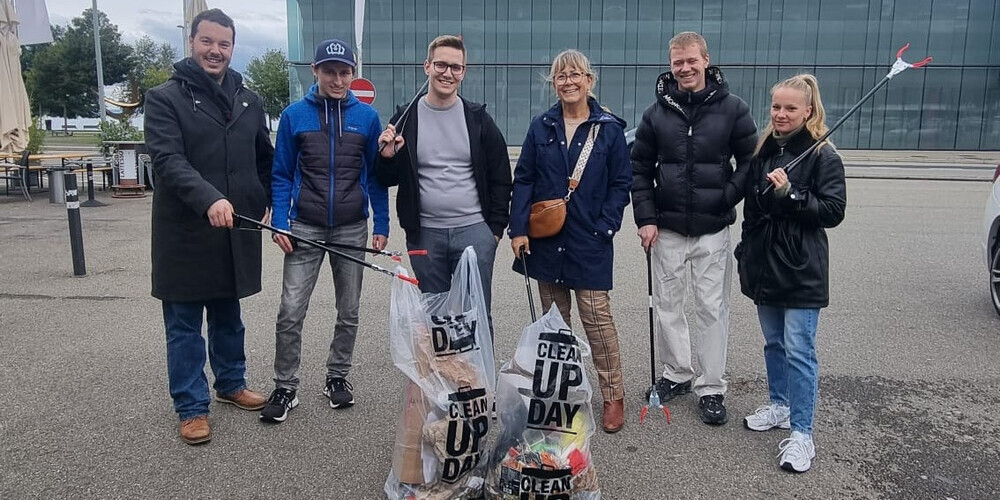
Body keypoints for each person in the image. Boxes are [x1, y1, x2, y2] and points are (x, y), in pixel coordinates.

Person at [144, 8, 273, 445]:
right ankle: (191, 407)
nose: (215, 50)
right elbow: (167, 161)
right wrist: (209, 198)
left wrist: (267, 201)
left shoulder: (249, 100)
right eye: (207, 42)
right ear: (192, 42)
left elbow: (264, 158)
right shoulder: (164, 98)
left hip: (234, 228)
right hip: (184, 231)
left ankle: (231, 383)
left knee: (228, 313)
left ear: (233, 47)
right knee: (183, 324)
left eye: (224, 43)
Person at [630, 31, 757, 425]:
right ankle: (677, 373)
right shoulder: (655, 114)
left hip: (712, 229)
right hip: (666, 229)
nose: (684, 68)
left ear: (706, 60)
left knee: (712, 310)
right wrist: (646, 218)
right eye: (677, 63)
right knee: (668, 306)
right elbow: (639, 169)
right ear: (671, 65)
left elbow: (750, 161)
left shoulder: (733, 109)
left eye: (691, 61)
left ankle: (712, 386)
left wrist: (726, 197)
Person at [259, 39, 389, 423]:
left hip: (352, 226)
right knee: (290, 310)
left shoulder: (367, 118)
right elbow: (280, 174)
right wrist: (279, 222)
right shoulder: (294, 115)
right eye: (329, 70)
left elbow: (376, 177)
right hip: (304, 226)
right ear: (315, 71)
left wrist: (381, 223)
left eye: (344, 71)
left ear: (353, 74)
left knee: (348, 309)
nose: (337, 78)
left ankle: (337, 377)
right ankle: (285, 385)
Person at [509, 49, 632, 433]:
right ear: (554, 82)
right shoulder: (541, 126)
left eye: (575, 74)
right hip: (546, 240)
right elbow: (524, 178)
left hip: (590, 239)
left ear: (589, 80)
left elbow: (621, 183)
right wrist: (518, 229)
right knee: (554, 325)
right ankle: (559, 394)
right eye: (561, 76)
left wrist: (606, 227)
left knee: (597, 321)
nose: (568, 82)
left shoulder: (608, 129)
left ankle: (613, 396)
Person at [736, 74, 846, 473]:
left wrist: (792, 195)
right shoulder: (764, 150)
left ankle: (802, 434)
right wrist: (745, 250)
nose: (781, 115)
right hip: (765, 264)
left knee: (800, 351)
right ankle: (780, 405)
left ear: (808, 111)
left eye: (790, 108)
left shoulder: (822, 155)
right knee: (774, 344)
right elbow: (751, 209)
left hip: (801, 268)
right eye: (776, 107)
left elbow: (833, 211)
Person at [374, 35, 511, 331]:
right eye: (441, 65)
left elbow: (501, 176)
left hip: (474, 231)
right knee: (435, 315)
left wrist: (495, 231)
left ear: (463, 72)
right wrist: (386, 157)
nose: (448, 73)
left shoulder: (478, 119)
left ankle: (475, 378)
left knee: (475, 315)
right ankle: (440, 378)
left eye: (456, 67)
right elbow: (385, 178)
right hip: (425, 234)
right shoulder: (405, 117)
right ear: (427, 66)